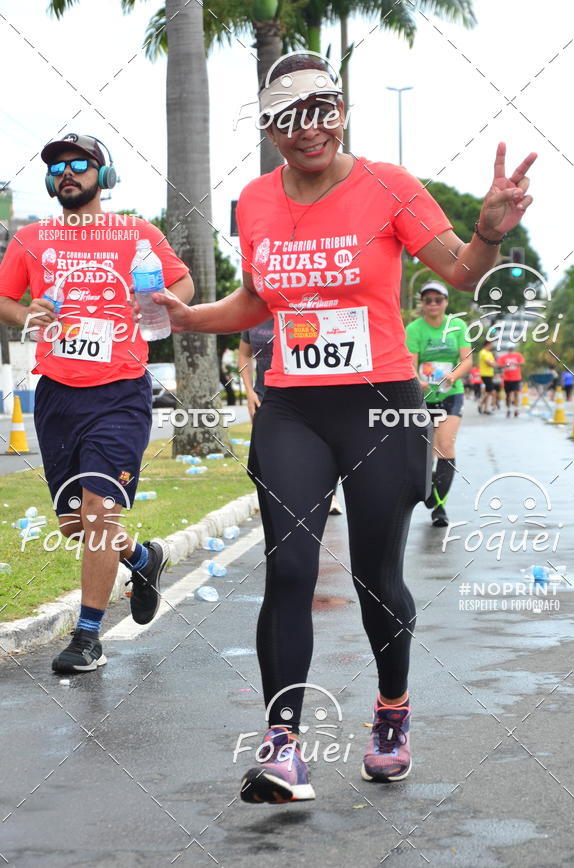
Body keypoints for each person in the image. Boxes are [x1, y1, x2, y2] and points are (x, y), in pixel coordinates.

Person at [154, 53, 535, 801]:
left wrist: (488, 234)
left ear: (343, 111)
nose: (309, 128)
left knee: (374, 577)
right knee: (291, 569)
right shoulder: (256, 201)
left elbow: (459, 271)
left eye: (323, 109)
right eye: (290, 117)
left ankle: (391, 713)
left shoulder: (388, 185)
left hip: (381, 405)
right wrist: (193, 318)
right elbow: (261, 300)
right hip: (294, 405)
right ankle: (281, 745)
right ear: (269, 128)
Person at [0, 133, 194, 674]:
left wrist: (152, 300)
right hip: (57, 393)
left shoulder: (135, 232)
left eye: (80, 164)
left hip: (120, 390)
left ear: (104, 176)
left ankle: (88, 637)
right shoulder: (32, 239)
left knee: (99, 511)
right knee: (75, 523)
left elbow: (185, 285)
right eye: (58, 167)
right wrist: (28, 316)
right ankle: (142, 558)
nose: (68, 173)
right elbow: (4, 298)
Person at [239, 317, 344, 515]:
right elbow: (244, 354)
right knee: (259, 460)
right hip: (264, 397)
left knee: (313, 450)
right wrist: (249, 391)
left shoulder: (296, 309)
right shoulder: (252, 314)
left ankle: (328, 494)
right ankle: (275, 500)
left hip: (302, 396)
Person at [406, 281, 472, 527]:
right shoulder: (414, 329)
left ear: (446, 302)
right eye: (428, 300)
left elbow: (467, 360)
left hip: (451, 393)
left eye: (438, 300)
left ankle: (439, 507)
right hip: (423, 397)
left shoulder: (457, 325)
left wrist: (453, 376)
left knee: (445, 445)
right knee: (427, 451)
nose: (433, 304)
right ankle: (431, 491)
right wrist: (418, 381)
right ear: (422, 304)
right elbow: (412, 363)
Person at [497, 344, 525, 417]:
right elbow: (498, 366)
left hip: (516, 378)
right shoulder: (503, 357)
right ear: (507, 349)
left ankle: (516, 409)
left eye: (512, 348)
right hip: (507, 378)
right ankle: (508, 410)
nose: (511, 350)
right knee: (508, 395)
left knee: (516, 394)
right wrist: (505, 365)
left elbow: (522, 363)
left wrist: (516, 363)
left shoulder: (518, 355)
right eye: (509, 349)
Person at [478, 339, 498, 414]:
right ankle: (485, 405)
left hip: (490, 374)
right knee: (492, 391)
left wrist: (496, 365)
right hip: (485, 374)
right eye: (491, 345)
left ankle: (485, 408)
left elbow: (493, 362)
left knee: (488, 392)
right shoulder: (483, 353)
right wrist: (498, 366)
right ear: (487, 344)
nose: (491, 346)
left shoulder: (489, 353)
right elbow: (489, 363)